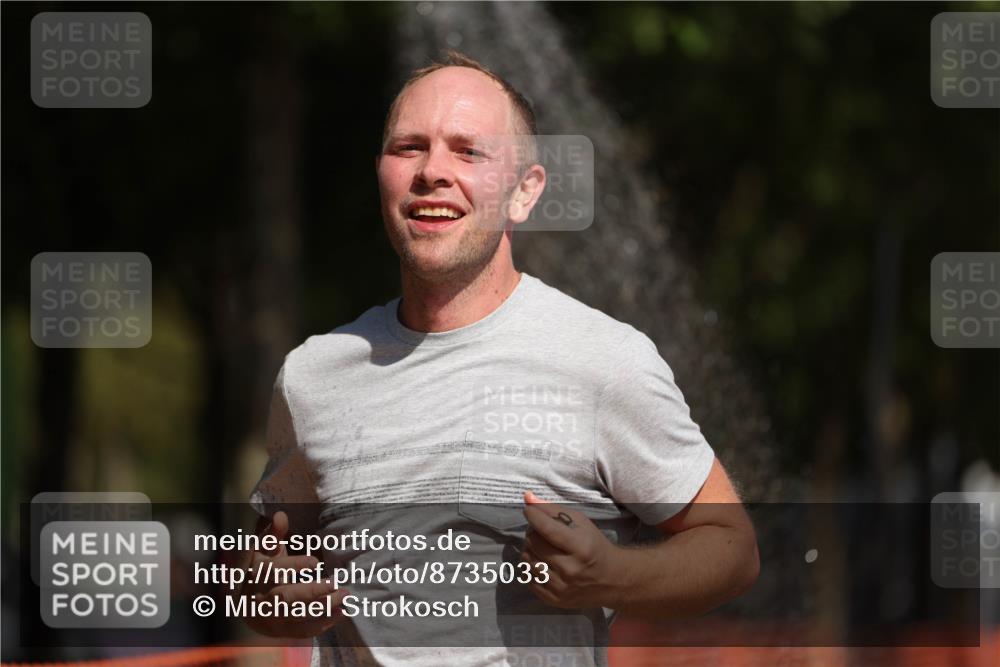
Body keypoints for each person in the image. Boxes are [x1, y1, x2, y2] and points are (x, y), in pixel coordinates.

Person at [243, 51, 759, 666]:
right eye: (409, 147)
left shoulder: (602, 359)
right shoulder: (313, 376)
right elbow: (261, 570)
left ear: (524, 192)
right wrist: (265, 593)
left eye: (468, 151)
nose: (433, 170)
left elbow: (732, 548)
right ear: (380, 173)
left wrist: (613, 575)